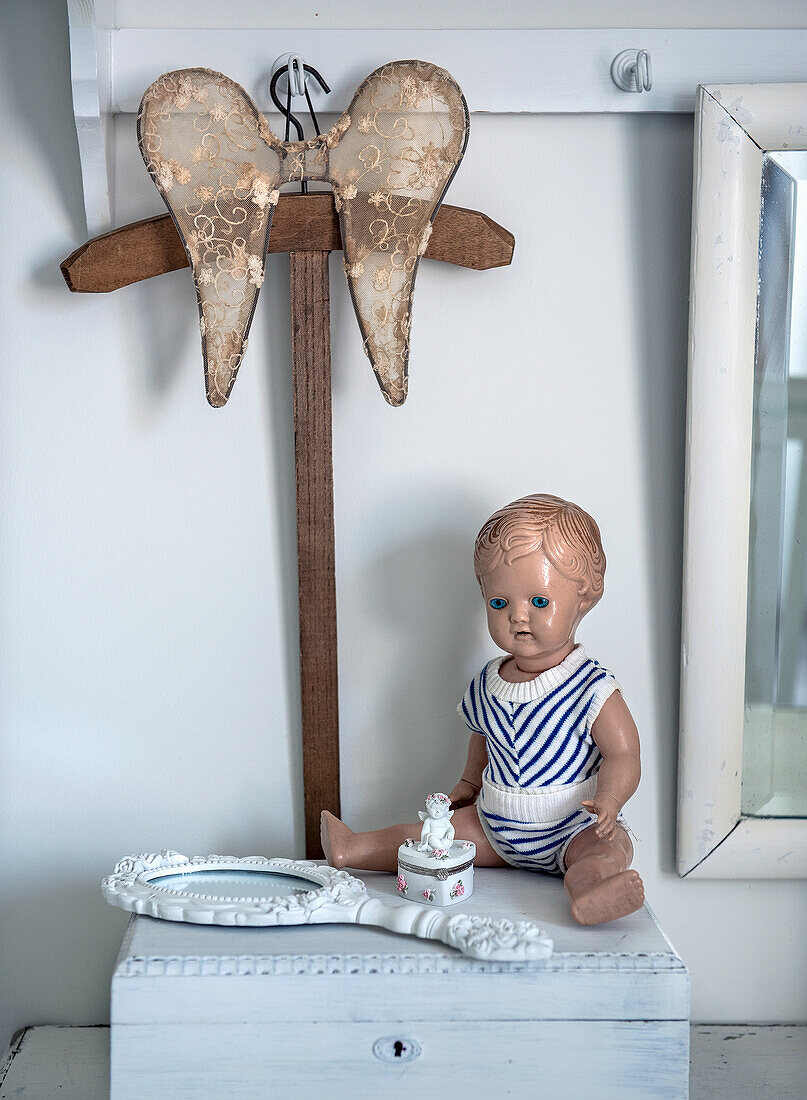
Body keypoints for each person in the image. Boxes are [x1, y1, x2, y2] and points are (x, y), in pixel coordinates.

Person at [322, 494, 644, 925]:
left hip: (573, 829)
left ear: (583, 598)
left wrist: (610, 798)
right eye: (499, 603)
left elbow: (624, 753)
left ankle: (593, 888)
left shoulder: (590, 685)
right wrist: (468, 782)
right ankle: (354, 848)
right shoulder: (488, 681)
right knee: (431, 838)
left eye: (539, 602)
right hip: (496, 826)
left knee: (605, 850)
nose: (517, 616)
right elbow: (484, 736)